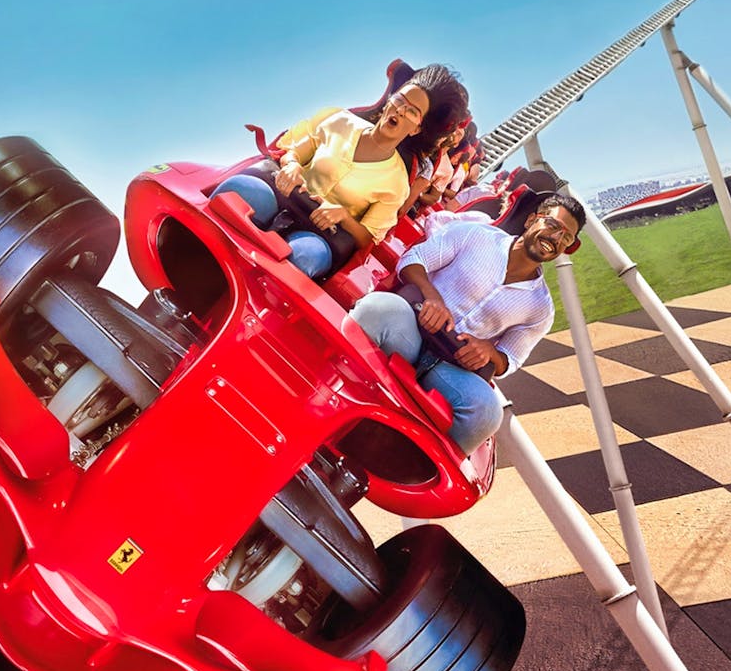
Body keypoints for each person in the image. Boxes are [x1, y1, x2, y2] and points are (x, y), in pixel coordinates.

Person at [349, 193, 587, 451]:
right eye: (552, 225)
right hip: (411, 330)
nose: (556, 238)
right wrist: (432, 296)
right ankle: (334, 394)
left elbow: (511, 359)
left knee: (487, 414)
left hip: (449, 368)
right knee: (376, 309)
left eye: (566, 238)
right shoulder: (475, 235)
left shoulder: (541, 307)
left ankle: (401, 461)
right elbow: (413, 260)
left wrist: (489, 352)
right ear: (531, 220)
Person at [211, 65, 469, 278]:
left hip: (318, 233)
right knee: (240, 190)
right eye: (400, 100)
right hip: (283, 194)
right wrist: (291, 165)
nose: (400, 110)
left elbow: (368, 237)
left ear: (416, 128)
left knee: (305, 257)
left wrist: (344, 216)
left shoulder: (398, 183)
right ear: (390, 100)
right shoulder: (339, 121)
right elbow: (292, 150)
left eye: (412, 111)